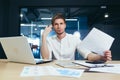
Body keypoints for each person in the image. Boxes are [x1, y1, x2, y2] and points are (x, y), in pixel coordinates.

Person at [41, 13, 112, 61]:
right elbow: (46, 58)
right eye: (56, 24)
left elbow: (88, 54)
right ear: (53, 26)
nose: (59, 26)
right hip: (54, 70)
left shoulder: (74, 39)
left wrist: (101, 57)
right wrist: (44, 36)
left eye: (61, 23)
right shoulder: (49, 40)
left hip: (70, 70)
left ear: (65, 25)